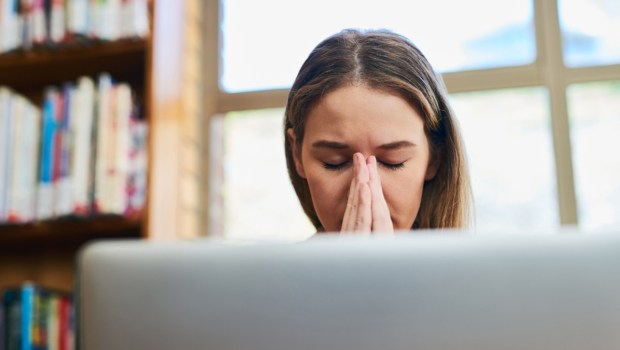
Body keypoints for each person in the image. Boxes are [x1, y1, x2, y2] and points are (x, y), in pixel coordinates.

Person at [284, 29, 471, 234]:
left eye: (393, 161)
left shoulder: (479, 266)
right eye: (334, 162)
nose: (365, 190)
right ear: (297, 155)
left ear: (436, 157)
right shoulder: (271, 267)